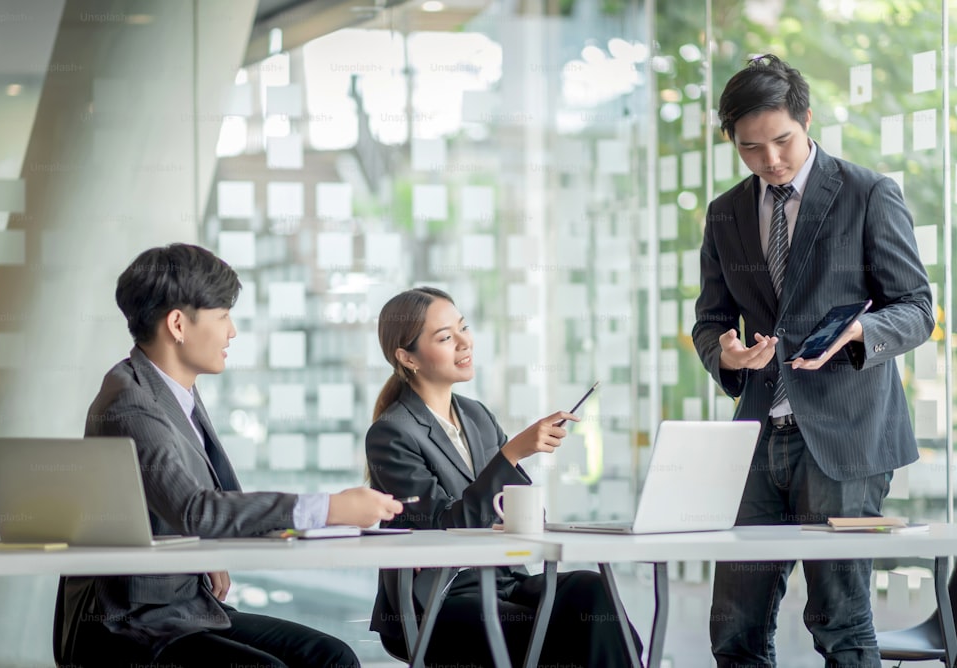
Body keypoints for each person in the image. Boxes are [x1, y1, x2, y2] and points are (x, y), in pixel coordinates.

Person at [693, 54, 933, 666]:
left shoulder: (868, 192)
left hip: (844, 439)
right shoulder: (725, 213)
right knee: (733, 630)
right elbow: (710, 319)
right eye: (751, 149)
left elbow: (916, 308)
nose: (770, 160)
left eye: (782, 141)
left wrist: (861, 329)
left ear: (806, 120)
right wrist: (725, 352)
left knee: (840, 624)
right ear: (732, 141)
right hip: (754, 439)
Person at [57, 243, 403, 668]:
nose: (232, 331)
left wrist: (211, 552)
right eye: (222, 316)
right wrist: (330, 508)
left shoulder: (171, 389)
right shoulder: (131, 404)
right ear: (178, 324)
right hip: (133, 622)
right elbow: (196, 509)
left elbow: (190, 501)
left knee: (331, 657)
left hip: (184, 608)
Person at [365, 286, 642, 668]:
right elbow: (443, 527)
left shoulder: (476, 415)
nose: (465, 343)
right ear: (406, 357)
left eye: (464, 328)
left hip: (504, 579)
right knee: (563, 635)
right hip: (441, 595)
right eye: (446, 338)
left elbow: (518, 513)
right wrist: (512, 453)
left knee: (592, 594)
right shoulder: (392, 433)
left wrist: (516, 501)